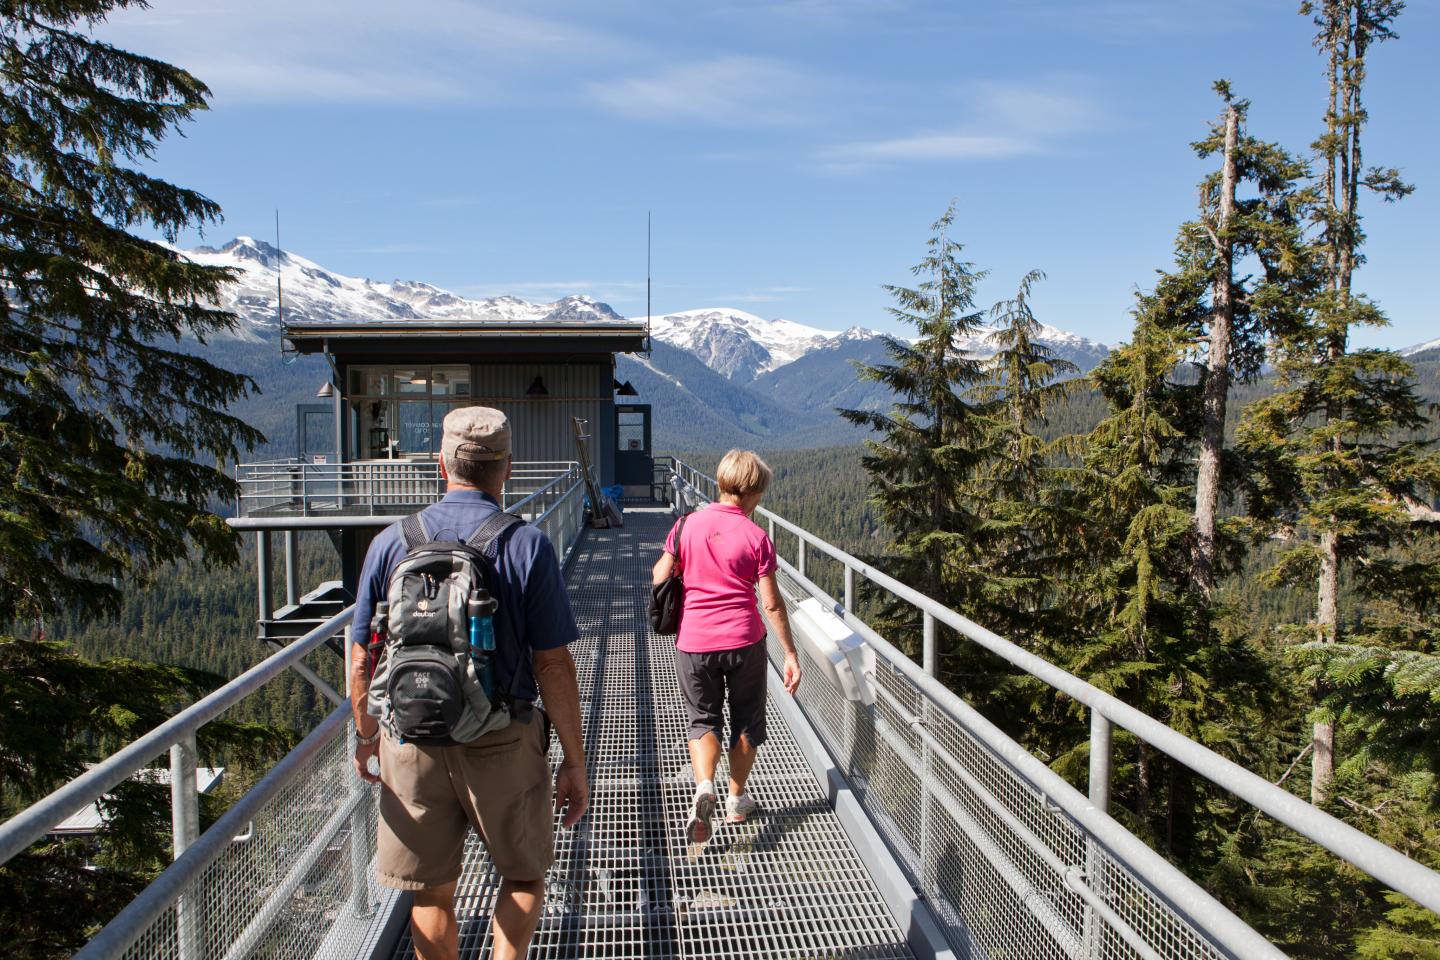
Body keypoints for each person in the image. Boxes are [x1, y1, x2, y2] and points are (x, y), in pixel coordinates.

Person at [349, 407, 589, 960]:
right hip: (502, 737)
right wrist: (573, 760)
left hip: (411, 741)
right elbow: (552, 664)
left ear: (441, 465)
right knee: (524, 877)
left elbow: (362, 655)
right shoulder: (526, 546)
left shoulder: (391, 543)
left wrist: (365, 735)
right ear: (507, 470)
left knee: (429, 892)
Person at [652, 449, 802, 843]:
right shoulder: (757, 536)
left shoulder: (686, 525)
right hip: (744, 641)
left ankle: (704, 785)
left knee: (703, 719)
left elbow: (659, 574)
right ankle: (736, 800)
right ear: (752, 493)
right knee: (747, 721)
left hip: (695, 640)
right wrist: (790, 653)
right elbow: (770, 603)